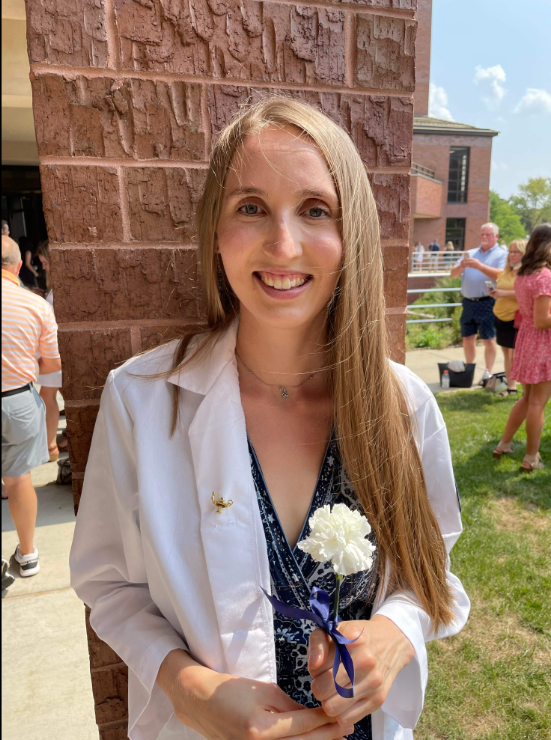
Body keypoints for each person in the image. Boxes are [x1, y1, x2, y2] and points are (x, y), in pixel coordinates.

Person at [70, 98, 469, 740]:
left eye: (316, 210)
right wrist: (190, 688)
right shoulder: (142, 399)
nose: (283, 245)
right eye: (250, 208)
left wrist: (398, 632)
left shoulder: (403, 407)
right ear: (215, 230)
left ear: (351, 234)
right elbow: (108, 583)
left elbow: (432, 569)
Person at [2, 235, 61, 577]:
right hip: (18, 400)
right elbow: (52, 365)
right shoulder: (37, 305)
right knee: (19, 480)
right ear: (20, 265)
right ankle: (27, 555)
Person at [493, 224, 551, 471]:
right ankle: (530, 457)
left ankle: (504, 444)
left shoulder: (524, 274)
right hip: (541, 341)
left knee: (527, 398)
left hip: (527, 339)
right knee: (537, 402)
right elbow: (542, 320)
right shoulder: (544, 277)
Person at [450, 223, 508, 382]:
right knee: (468, 337)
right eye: (482, 234)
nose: (484, 237)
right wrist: (461, 266)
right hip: (468, 301)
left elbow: (501, 276)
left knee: (489, 339)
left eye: (488, 235)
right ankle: (469, 369)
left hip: (488, 302)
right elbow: (453, 275)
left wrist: (480, 266)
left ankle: (488, 373)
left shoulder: (502, 254)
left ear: (496, 236)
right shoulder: (470, 253)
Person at [35, 240, 66, 460]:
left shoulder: (60, 287)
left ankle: (50, 446)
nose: (43, 267)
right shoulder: (55, 287)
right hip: (53, 350)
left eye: (45, 262)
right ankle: (53, 444)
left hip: (55, 350)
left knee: (46, 396)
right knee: (52, 395)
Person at [489, 239, 526, 397]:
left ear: (523, 254)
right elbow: (502, 290)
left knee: (516, 355)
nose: (512, 255)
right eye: (510, 251)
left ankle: (523, 388)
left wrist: (503, 294)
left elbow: (525, 295)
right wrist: (495, 293)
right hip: (500, 318)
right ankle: (511, 387)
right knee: (507, 354)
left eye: (515, 251)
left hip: (515, 320)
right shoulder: (504, 272)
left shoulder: (525, 274)